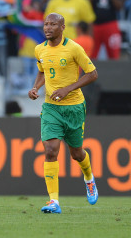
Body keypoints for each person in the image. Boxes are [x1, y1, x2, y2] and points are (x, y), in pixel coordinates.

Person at [28, 13, 99, 214]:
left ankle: (89, 178)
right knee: (50, 150)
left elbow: (92, 74)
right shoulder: (39, 49)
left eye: (53, 24)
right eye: (45, 24)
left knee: (77, 153)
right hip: (51, 107)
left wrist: (69, 88)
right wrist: (35, 88)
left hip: (74, 107)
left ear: (62, 27)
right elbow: (43, 71)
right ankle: (54, 202)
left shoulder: (74, 48)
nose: (48, 28)